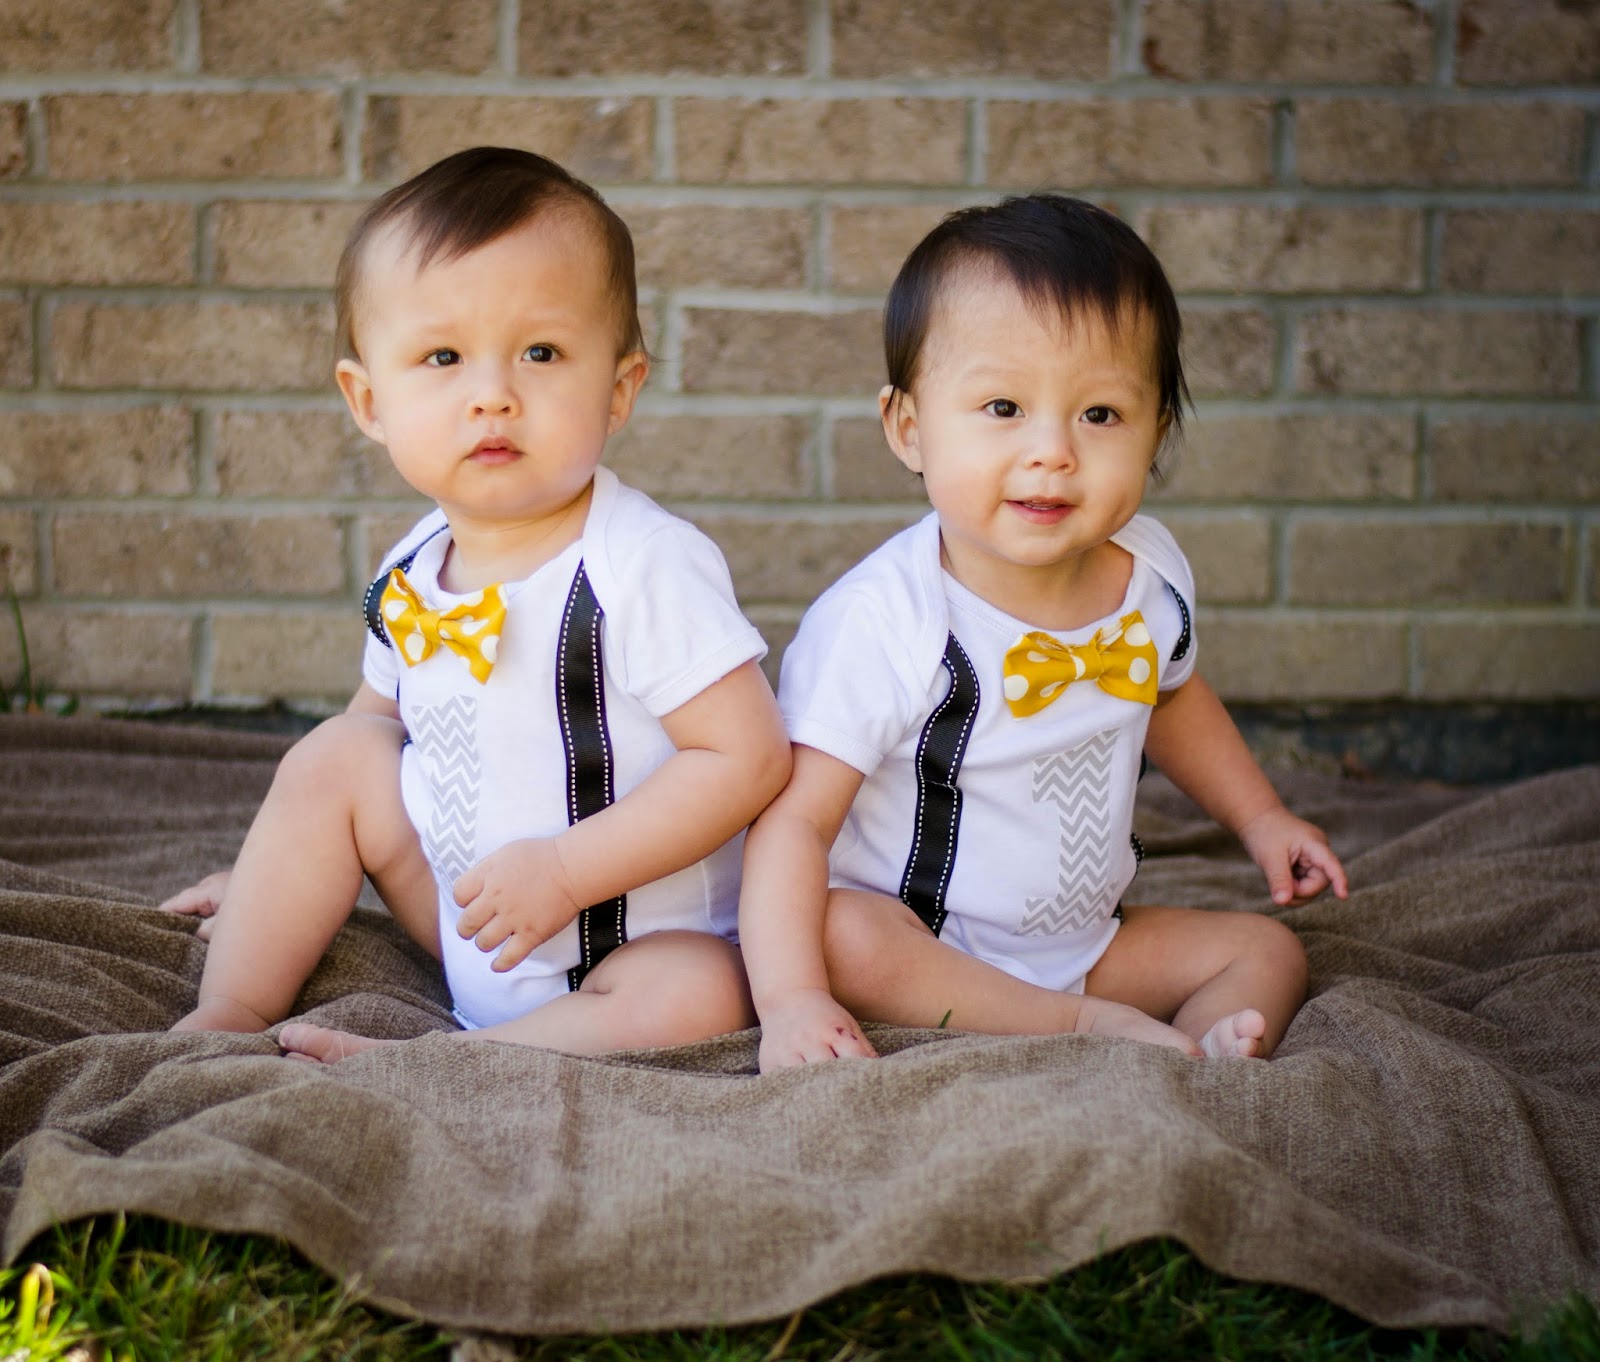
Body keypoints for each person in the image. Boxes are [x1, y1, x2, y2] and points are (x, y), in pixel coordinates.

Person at [161, 146, 790, 1060]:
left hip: (626, 944)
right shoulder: (416, 562)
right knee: (334, 756)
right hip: (471, 918)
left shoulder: (644, 564)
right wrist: (282, 870)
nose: (492, 395)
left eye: (540, 352)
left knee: (702, 991)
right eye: (444, 356)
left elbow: (747, 758)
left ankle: (460, 1062)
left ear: (618, 388)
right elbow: (376, 728)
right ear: (369, 399)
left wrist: (568, 872)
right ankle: (228, 1017)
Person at [738, 195, 1348, 1073]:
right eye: (1002, 407)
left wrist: (1260, 817)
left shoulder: (1150, 574)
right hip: (922, 944)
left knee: (1269, 951)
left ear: (1155, 435)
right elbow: (792, 822)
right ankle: (1086, 1029)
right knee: (837, 933)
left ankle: (1201, 1054)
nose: (1053, 451)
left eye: (1100, 415)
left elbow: (1170, 695)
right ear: (910, 428)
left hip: (1086, 945)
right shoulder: (884, 620)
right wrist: (792, 1002)